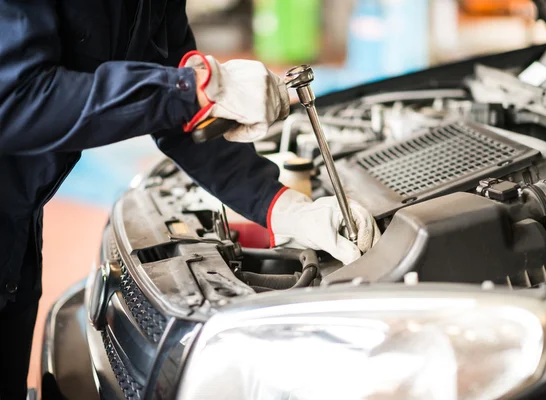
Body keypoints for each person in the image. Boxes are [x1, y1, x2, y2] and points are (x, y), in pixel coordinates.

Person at [0, 0, 380, 397]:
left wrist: (285, 207)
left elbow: (184, 118)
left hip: (18, 231)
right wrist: (197, 88)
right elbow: (16, 97)